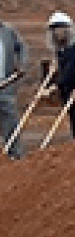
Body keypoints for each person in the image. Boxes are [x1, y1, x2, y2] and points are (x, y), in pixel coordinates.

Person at [45, 11, 75, 139]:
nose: (58, 32)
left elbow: (70, 74)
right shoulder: (61, 51)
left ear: (68, 30)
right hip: (69, 96)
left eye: (61, 28)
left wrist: (54, 87)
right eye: (55, 29)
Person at [0, 18, 27, 158]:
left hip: (5, 86)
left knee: (10, 123)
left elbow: (21, 47)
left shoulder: (8, 31)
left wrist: (22, 64)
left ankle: (14, 156)